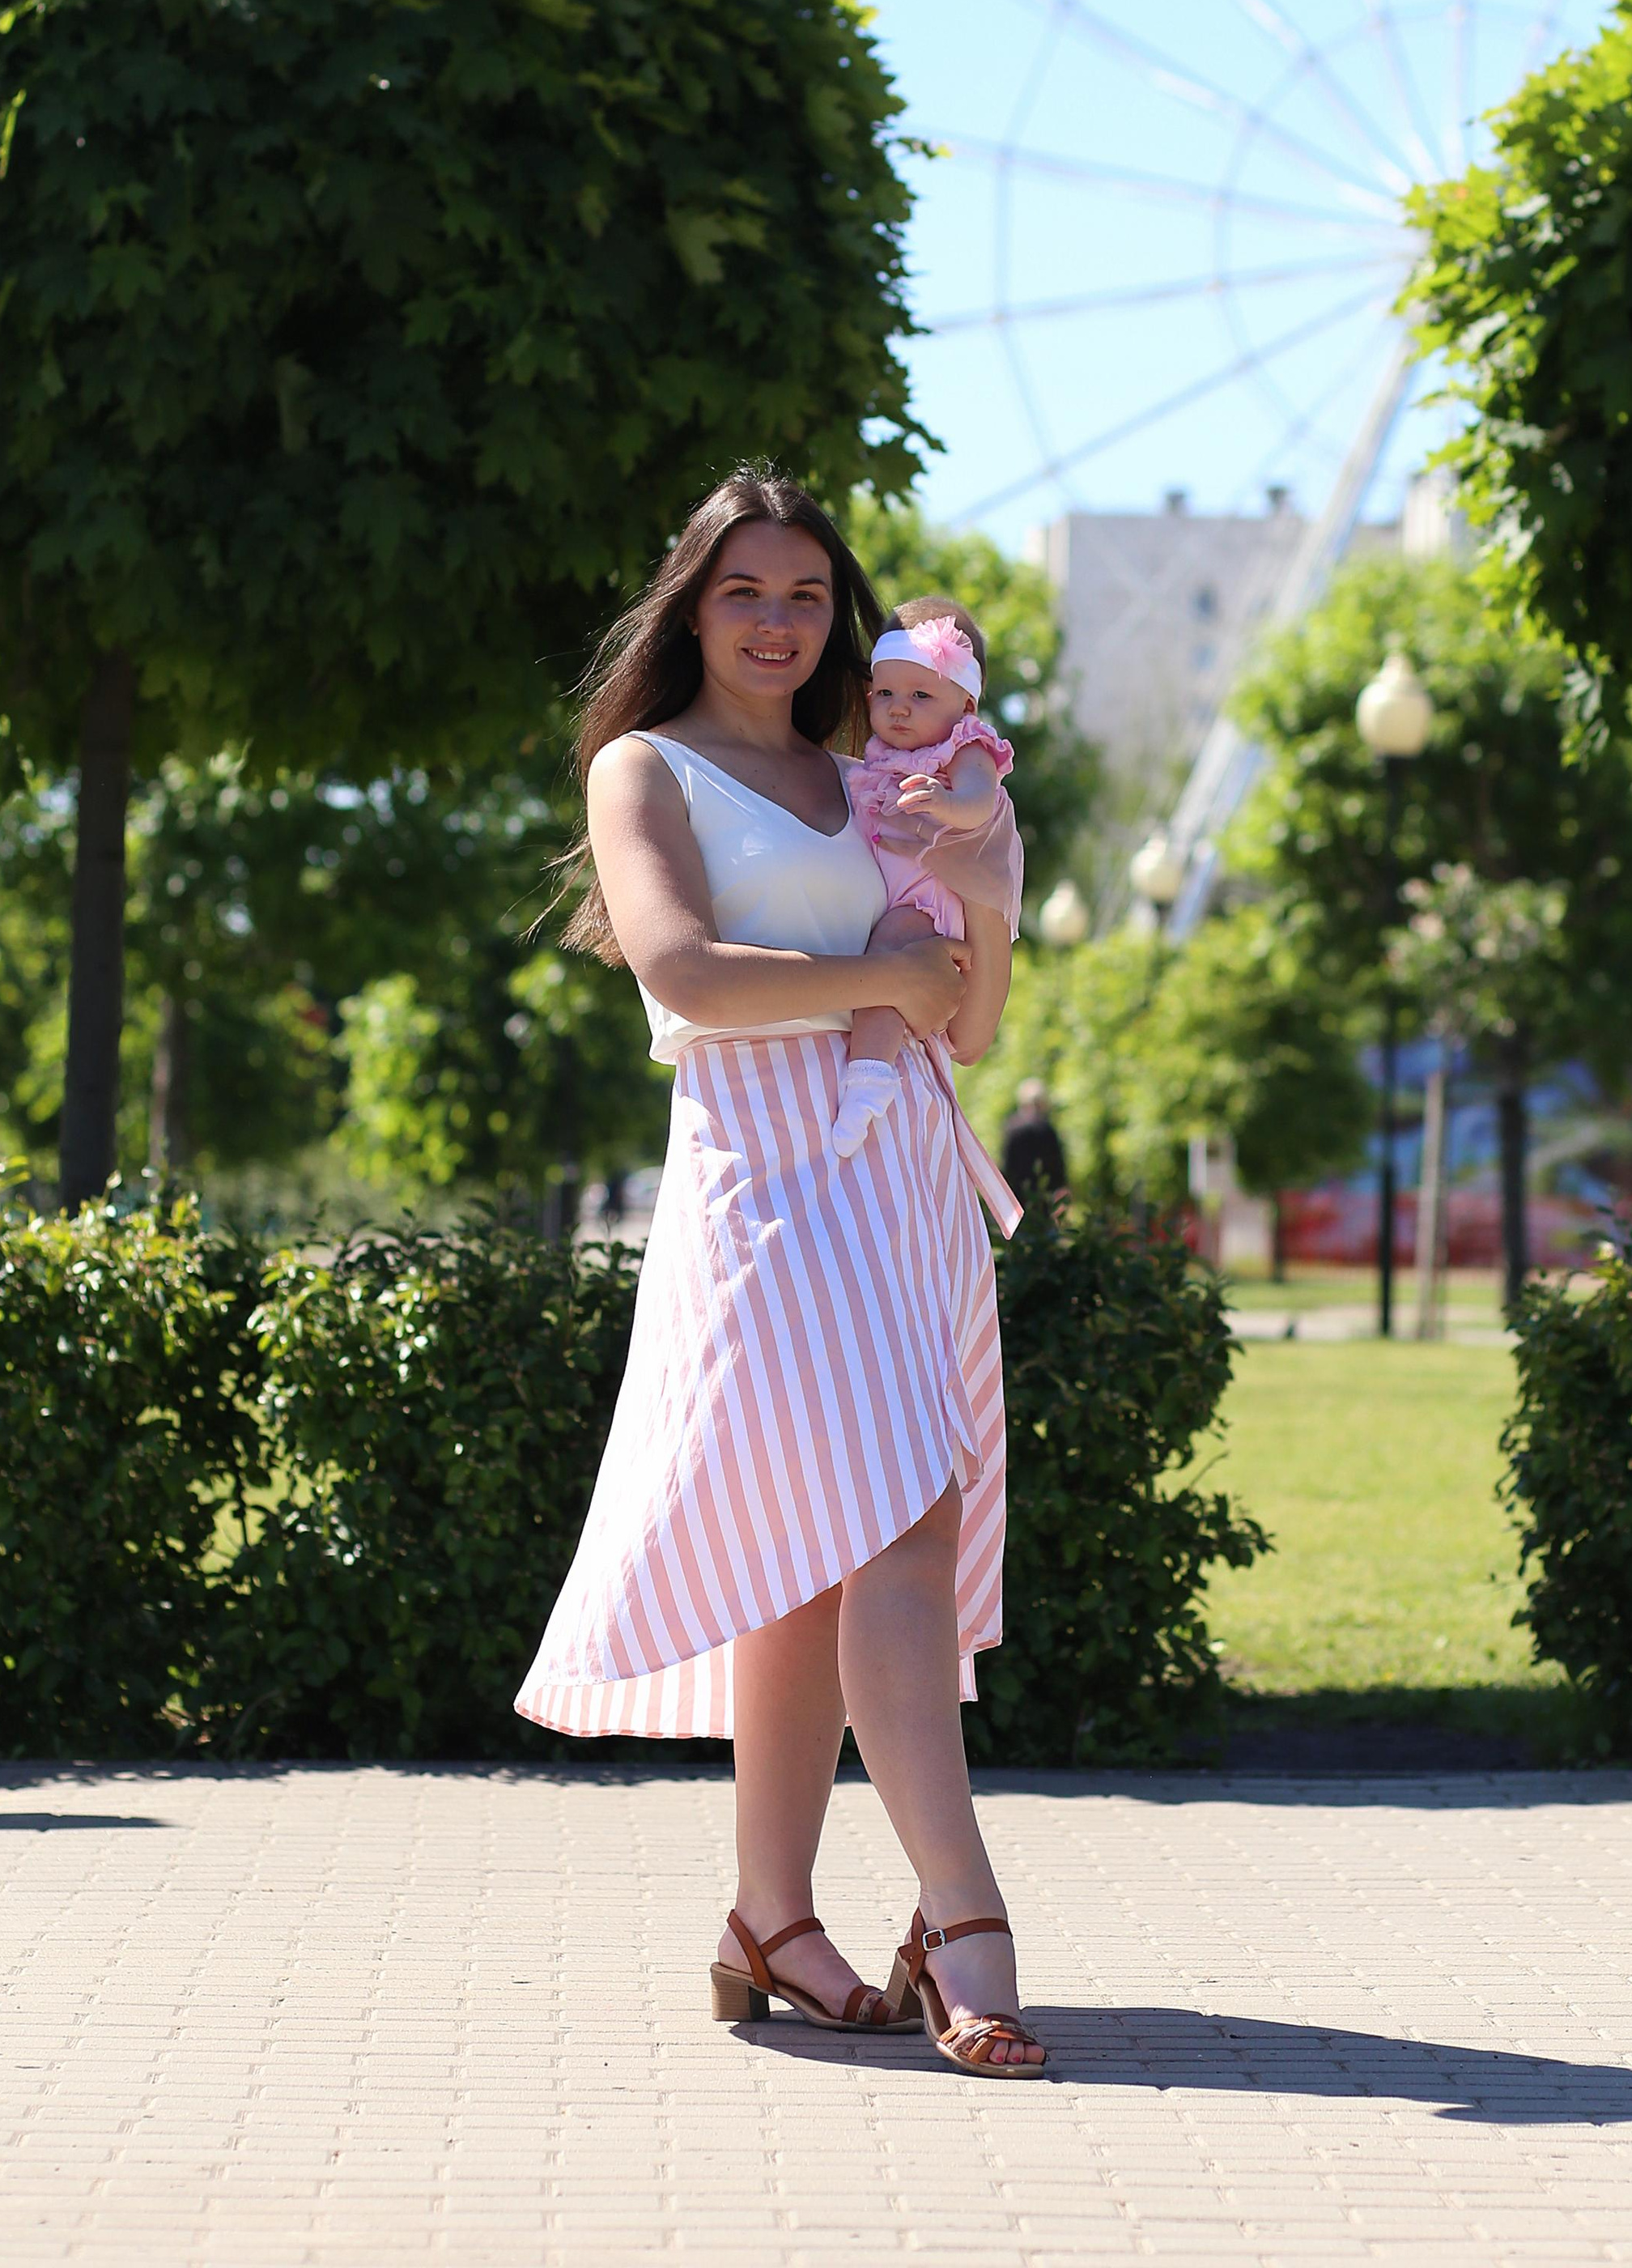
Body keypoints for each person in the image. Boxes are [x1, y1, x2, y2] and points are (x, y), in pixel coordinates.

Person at [515, 469, 1048, 2078]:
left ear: (843, 619)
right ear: (692, 607)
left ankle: (768, 1918)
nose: (776, 621)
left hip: (901, 1172)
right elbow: (681, 969)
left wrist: (987, 899)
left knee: (818, 1547)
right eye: (743, 590)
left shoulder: (872, 772)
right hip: (763, 1177)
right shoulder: (644, 768)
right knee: (887, 1518)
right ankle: (965, 1918)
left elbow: (965, 1021)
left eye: (807, 595)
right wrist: (875, 973)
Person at [831, 595, 1022, 1160]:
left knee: (892, 949)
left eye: (920, 696)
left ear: (965, 703)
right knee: (885, 950)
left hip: (930, 906)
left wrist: (945, 803)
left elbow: (977, 803)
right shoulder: (877, 759)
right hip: (902, 896)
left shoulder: (965, 748)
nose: (899, 710)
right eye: (885, 694)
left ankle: (869, 1076)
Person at [1000, 1079, 1069, 1218]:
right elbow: (1057, 1166)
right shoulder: (1047, 1129)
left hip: (1017, 1196)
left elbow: (1007, 1164)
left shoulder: (1012, 1127)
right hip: (1044, 1196)